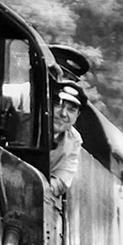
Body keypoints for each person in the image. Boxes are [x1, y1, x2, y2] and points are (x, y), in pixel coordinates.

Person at [47, 44, 93, 195]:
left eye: (70, 79)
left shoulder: (73, 139)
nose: (64, 114)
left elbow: (63, 179)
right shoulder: (18, 94)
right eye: (58, 75)